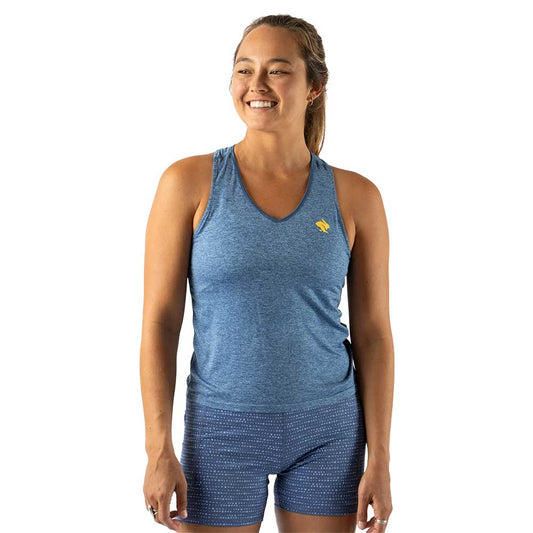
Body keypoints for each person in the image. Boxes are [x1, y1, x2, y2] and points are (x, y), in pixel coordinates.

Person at [140, 14, 394, 533]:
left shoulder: (356, 196)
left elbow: (373, 334)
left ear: (314, 87)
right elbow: (161, 323)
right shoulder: (188, 183)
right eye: (244, 69)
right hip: (221, 431)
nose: (256, 84)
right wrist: (158, 448)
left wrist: (382, 458)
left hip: (329, 430)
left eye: (277, 70)